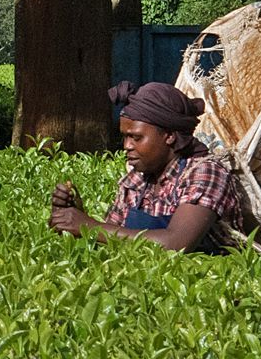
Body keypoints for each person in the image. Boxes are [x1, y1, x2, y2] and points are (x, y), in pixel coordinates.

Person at [48, 81, 245, 253]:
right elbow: (111, 238)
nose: (127, 146)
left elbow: (176, 244)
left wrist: (89, 226)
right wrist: (70, 219)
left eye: (136, 137)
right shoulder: (136, 180)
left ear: (169, 135)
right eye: (125, 136)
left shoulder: (205, 173)